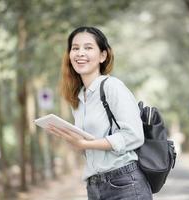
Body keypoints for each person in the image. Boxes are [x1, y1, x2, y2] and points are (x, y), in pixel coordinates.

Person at [47, 26, 153, 200]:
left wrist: (85, 144)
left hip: (125, 183)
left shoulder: (112, 86)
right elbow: (93, 147)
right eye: (75, 48)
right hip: (95, 187)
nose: (80, 53)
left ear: (103, 56)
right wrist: (74, 142)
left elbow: (134, 135)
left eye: (88, 48)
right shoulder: (79, 98)